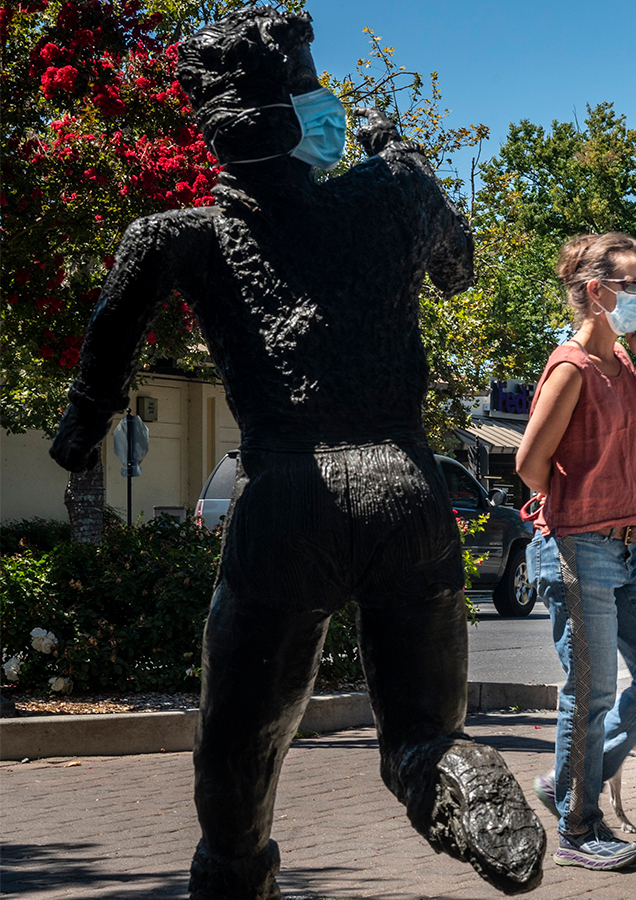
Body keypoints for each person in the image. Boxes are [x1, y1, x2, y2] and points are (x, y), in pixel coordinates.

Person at [47, 8, 546, 898]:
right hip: (407, 487)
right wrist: (414, 175)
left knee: (238, 759)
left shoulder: (177, 235)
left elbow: (101, 366)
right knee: (424, 735)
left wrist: (80, 432)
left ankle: (239, 870)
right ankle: (465, 787)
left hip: (289, 497)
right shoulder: (390, 190)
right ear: (301, 106)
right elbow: (460, 269)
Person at [516, 232, 636, 871]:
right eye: (634, 285)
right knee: (586, 695)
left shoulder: (621, 367)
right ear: (597, 291)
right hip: (579, 547)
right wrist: (573, 494)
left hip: (629, 545)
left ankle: (569, 783)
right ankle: (580, 830)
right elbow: (529, 465)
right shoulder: (571, 369)